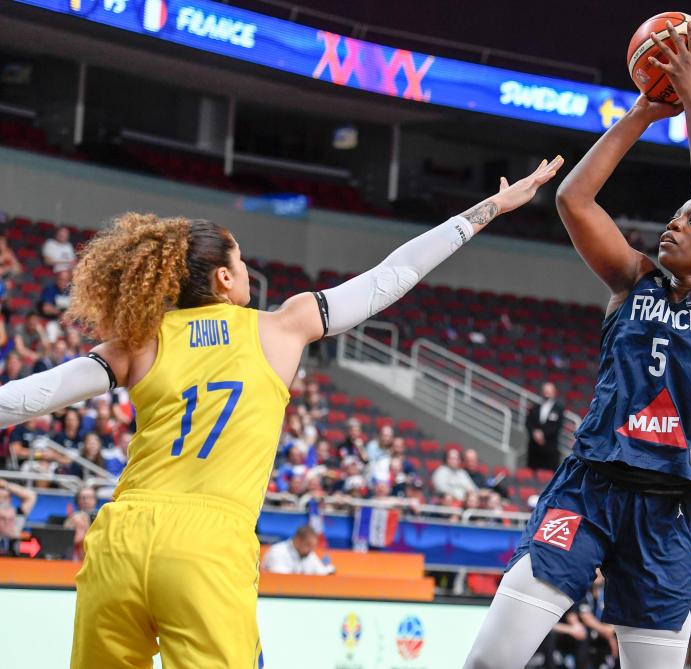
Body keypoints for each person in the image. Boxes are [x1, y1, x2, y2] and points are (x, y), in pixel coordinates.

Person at [0, 157, 562, 668]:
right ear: (223, 277)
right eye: (240, 260)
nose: (246, 269)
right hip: (207, 542)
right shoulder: (282, 326)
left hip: (121, 533)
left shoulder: (140, 340)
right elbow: (393, 276)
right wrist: (487, 210)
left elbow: (28, 397)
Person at [464, 26, 691, 669]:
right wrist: (647, 109)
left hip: (667, 513)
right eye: (676, 213)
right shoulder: (633, 279)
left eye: (690, 218)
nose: (676, 222)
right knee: (489, 661)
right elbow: (573, 198)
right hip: (586, 489)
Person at [261, 525, 334, 575]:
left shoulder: (309, 554)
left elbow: (322, 572)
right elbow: (281, 578)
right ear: (297, 540)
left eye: (313, 546)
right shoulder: (277, 551)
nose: (311, 550)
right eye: (308, 545)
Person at [526, 381, 564, 471]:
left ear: (554, 393)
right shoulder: (535, 407)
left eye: (549, 391)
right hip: (534, 449)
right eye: (545, 390)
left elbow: (557, 426)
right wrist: (534, 433)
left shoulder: (558, 409)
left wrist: (542, 435)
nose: (547, 393)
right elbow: (528, 422)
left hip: (550, 449)